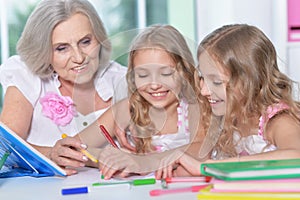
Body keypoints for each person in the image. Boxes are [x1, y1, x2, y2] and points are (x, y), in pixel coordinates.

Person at [98, 24, 300, 179]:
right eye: (202, 78)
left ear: (248, 81)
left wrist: (207, 167)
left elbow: (297, 157)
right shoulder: (230, 118)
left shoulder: (277, 120)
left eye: (216, 81)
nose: (203, 90)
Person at [0, 0, 127, 175]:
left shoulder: (123, 80)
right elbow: (5, 150)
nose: (79, 57)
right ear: (43, 51)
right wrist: (50, 154)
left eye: (85, 42)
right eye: (62, 48)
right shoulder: (26, 75)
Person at [74, 24, 201, 159]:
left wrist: (142, 162)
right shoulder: (126, 109)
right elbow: (74, 147)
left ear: (184, 72)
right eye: (143, 75)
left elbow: (200, 148)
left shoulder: (193, 109)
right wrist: (108, 158)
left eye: (165, 73)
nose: (154, 85)